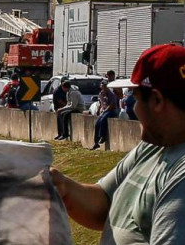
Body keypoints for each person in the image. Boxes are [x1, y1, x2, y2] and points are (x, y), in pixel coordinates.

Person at [50, 44, 185, 244]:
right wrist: (62, 186)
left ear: (156, 100)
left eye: (136, 99)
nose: (134, 108)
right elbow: (104, 202)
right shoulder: (154, 144)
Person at [91, 80, 118, 150]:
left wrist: (105, 110)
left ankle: (102, 137)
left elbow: (112, 105)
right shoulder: (101, 94)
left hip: (111, 111)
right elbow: (101, 103)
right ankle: (95, 143)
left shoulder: (111, 94)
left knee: (103, 120)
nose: (104, 88)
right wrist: (99, 110)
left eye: (105, 87)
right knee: (97, 124)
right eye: (102, 87)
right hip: (104, 111)